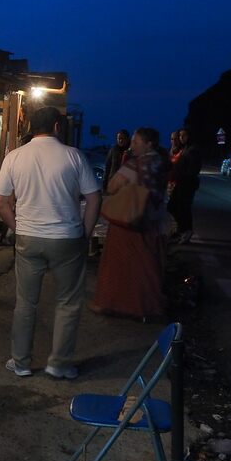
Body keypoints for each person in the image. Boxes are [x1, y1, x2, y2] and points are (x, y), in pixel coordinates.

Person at [0, 106, 102, 380]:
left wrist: (17, 228)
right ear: (56, 126)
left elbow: (0, 200)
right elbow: (94, 198)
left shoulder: (15, 156)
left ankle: (21, 362)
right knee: (67, 302)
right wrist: (85, 234)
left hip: (29, 238)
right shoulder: (73, 156)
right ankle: (59, 364)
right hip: (67, 238)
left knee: (26, 303)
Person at [91, 127, 169, 319]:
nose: (132, 146)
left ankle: (112, 303)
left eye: (136, 142)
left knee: (118, 265)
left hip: (130, 221)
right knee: (148, 265)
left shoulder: (136, 165)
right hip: (153, 221)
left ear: (149, 144)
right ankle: (147, 307)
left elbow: (113, 185)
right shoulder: (161, 163)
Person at [168, 128, 201, 243]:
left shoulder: (193, 150)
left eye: (184, 136)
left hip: (187, 183)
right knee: (173, 206)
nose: (182, 138)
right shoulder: (185, 148)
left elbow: (193, 169)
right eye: (180, 136)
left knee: (183, 208)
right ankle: (182, 229)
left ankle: (187, 230)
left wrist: (182, 176)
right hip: (180, 182)